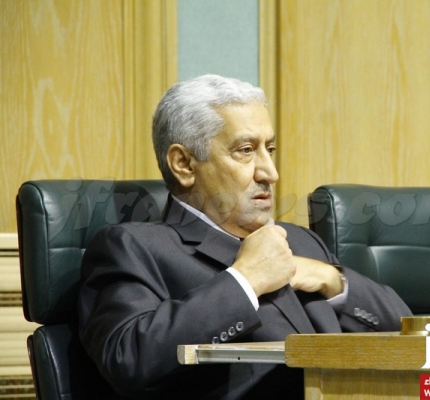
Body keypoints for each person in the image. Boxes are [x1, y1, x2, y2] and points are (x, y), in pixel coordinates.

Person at [78, 74, 412, 399]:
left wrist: (333, 280)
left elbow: (411, 335)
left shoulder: (301, 241)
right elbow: (128, 359)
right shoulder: (134, 248)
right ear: (184, 164)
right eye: (246, 150)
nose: (271, 173)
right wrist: (245, 281)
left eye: (270, 149)